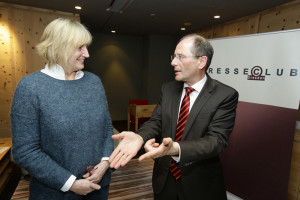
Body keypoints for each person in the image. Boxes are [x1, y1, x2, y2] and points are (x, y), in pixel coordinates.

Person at [109, 33, 239, 200]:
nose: (173, 62)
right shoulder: (168, 89)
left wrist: (176, 149)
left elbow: (216, 141)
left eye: (180, 57)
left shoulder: (225, 95)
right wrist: (140, 138)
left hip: (200, 184)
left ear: (202, 61)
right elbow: (156, 121)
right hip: (164, 179)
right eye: (174, 56)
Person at [11, 18, 114, 199]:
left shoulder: (94, 82)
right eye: (80, 47)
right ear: (58, 47)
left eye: (87, 47)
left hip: (98, 187)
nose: (87, 54)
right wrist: (70, 183)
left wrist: (105, 163)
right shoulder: (30, 87)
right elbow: (25, 151)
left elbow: (106, 128)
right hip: (54, 192)